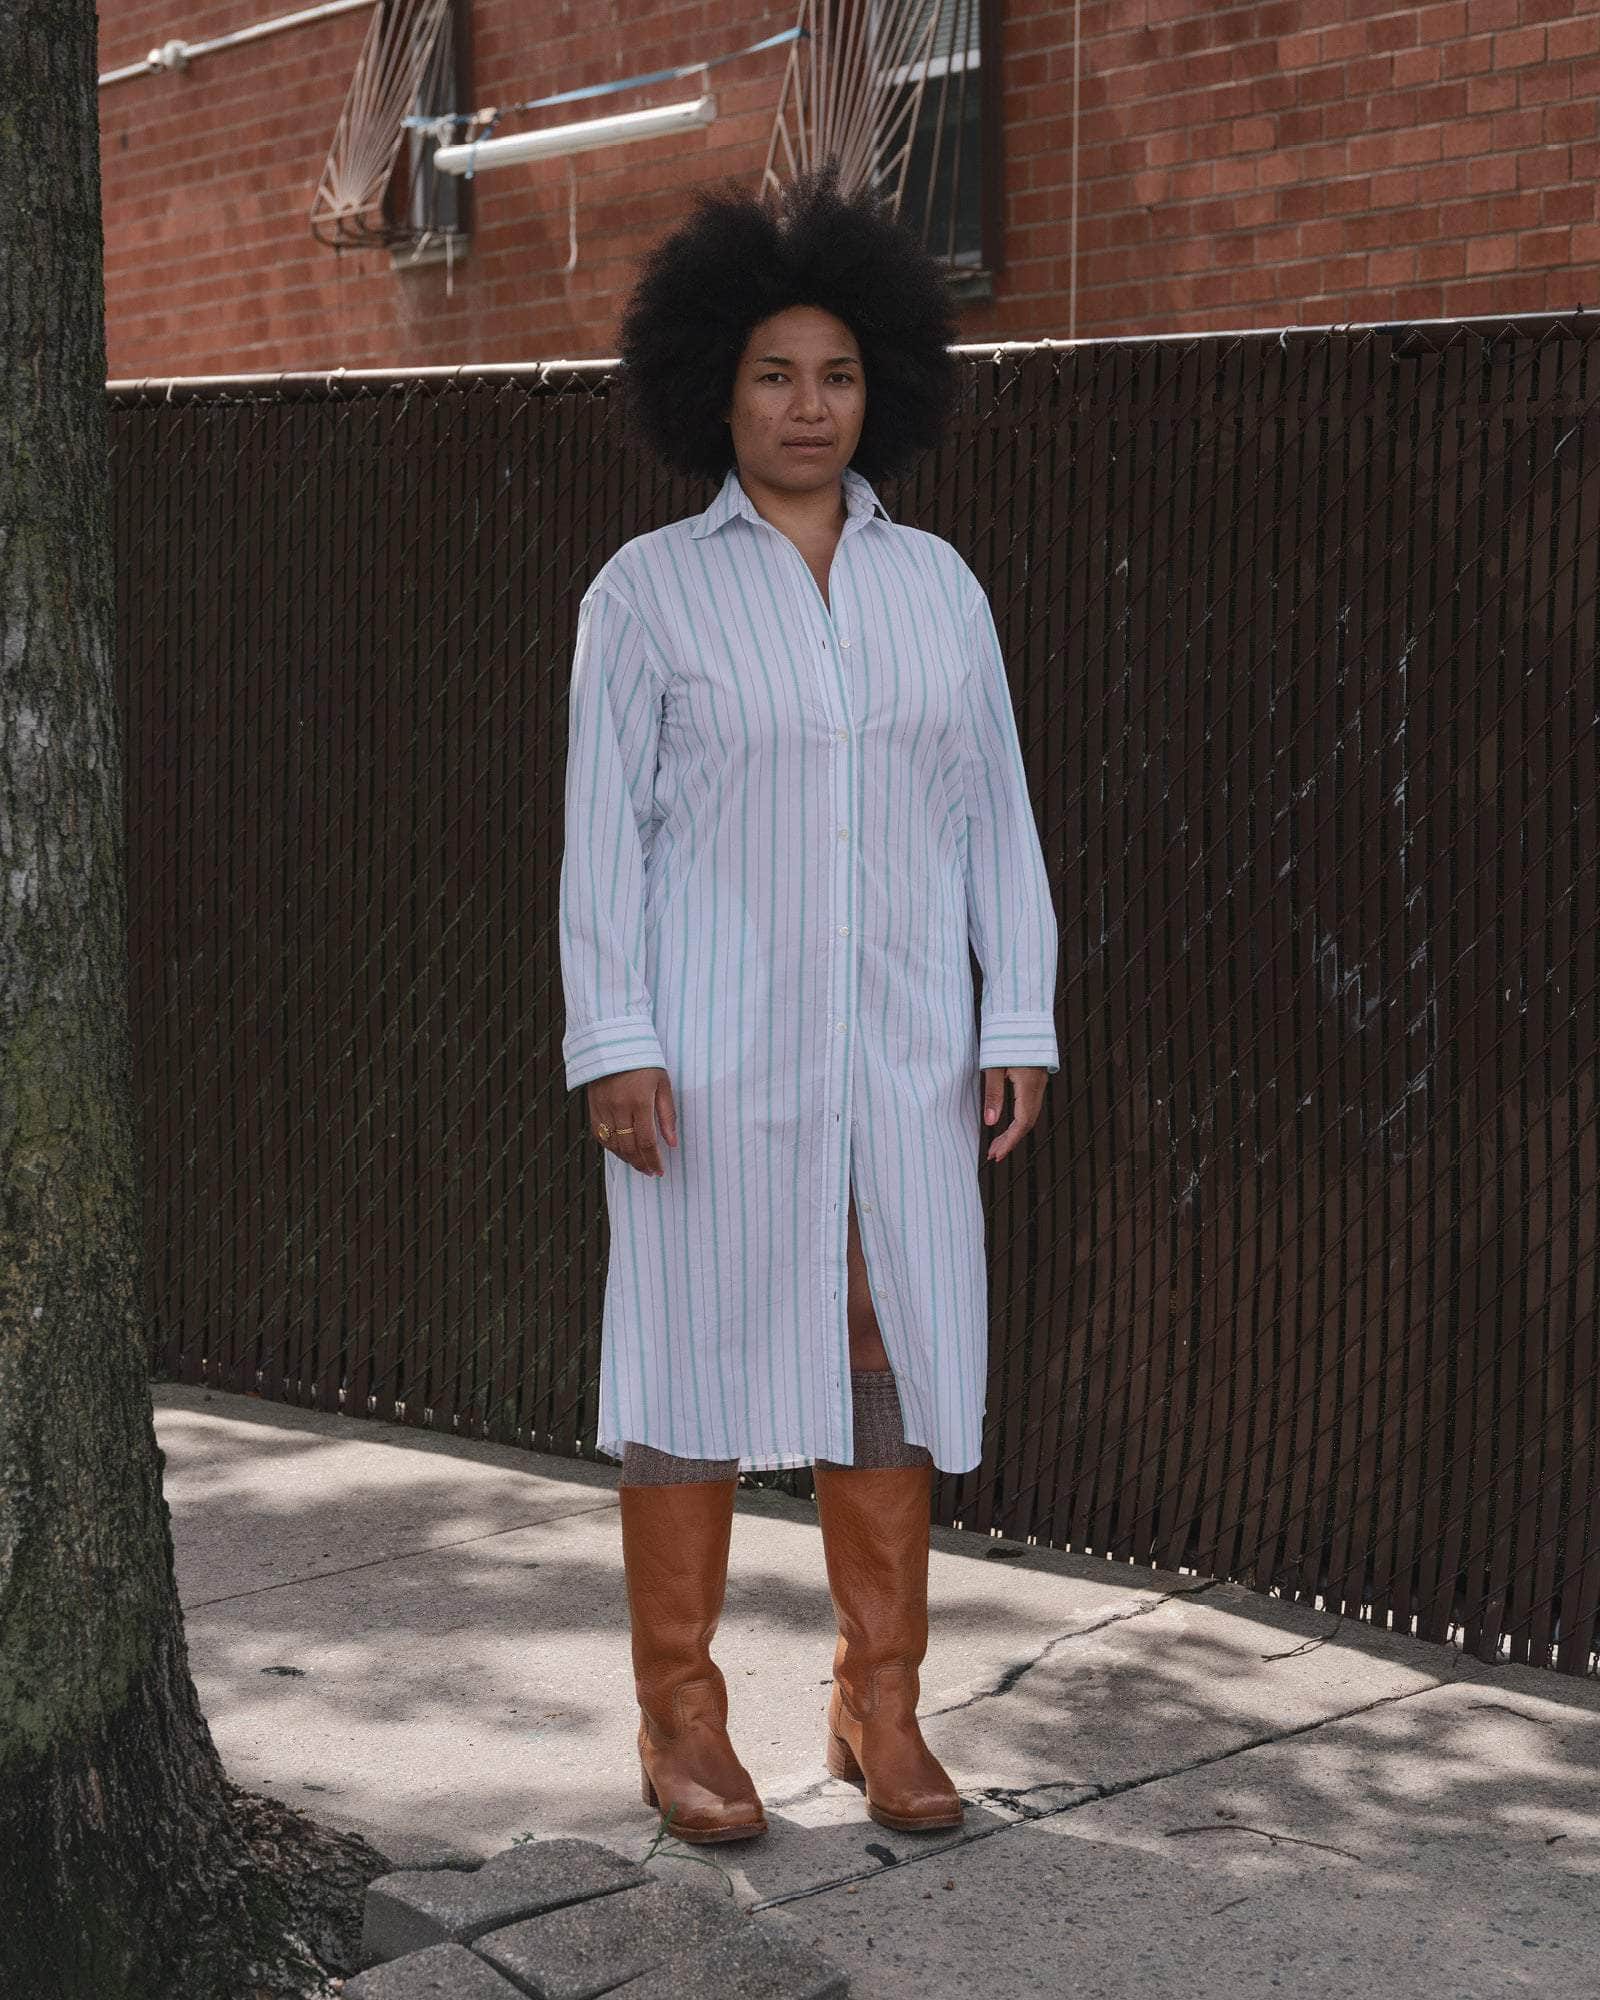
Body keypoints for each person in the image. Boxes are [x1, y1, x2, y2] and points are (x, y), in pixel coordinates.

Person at [558, 160, 1059, 1845]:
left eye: (837, 374)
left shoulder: (941, 590)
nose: (806, 405)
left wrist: (1018, 1014)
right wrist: (615, 1041)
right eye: (773, 373)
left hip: (904, 1054)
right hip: (709, 1063)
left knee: (885, 1340)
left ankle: (879, 1705)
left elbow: (995, 816)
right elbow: (602, 841)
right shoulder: (646, 595)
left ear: (880, 388)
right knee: (689, 1358)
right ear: (716, 388)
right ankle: (681, 1721)